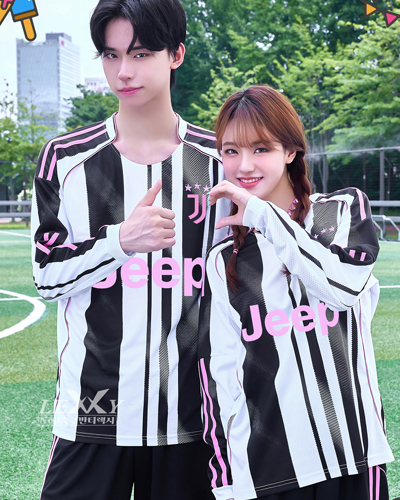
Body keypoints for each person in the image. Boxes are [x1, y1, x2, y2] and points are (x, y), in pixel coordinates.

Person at [31, 1, 230, 498]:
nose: (123, 71)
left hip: (192, 415)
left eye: (140, 54)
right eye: (111, 55)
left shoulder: (220, 162)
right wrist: (119, 242)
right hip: (94, 410)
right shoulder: (66, 159)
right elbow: (46, 277)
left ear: (176, 54)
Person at [198, 85, 394, 500]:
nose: (244, 165)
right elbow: (220, 378)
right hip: (269, 472)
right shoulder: (223, 259)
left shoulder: (339, 210)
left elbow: (343, 287)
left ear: (290, 151)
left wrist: (263, 216)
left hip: (353, 455)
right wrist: (226, 480)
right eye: (231, 151)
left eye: (261, 149)